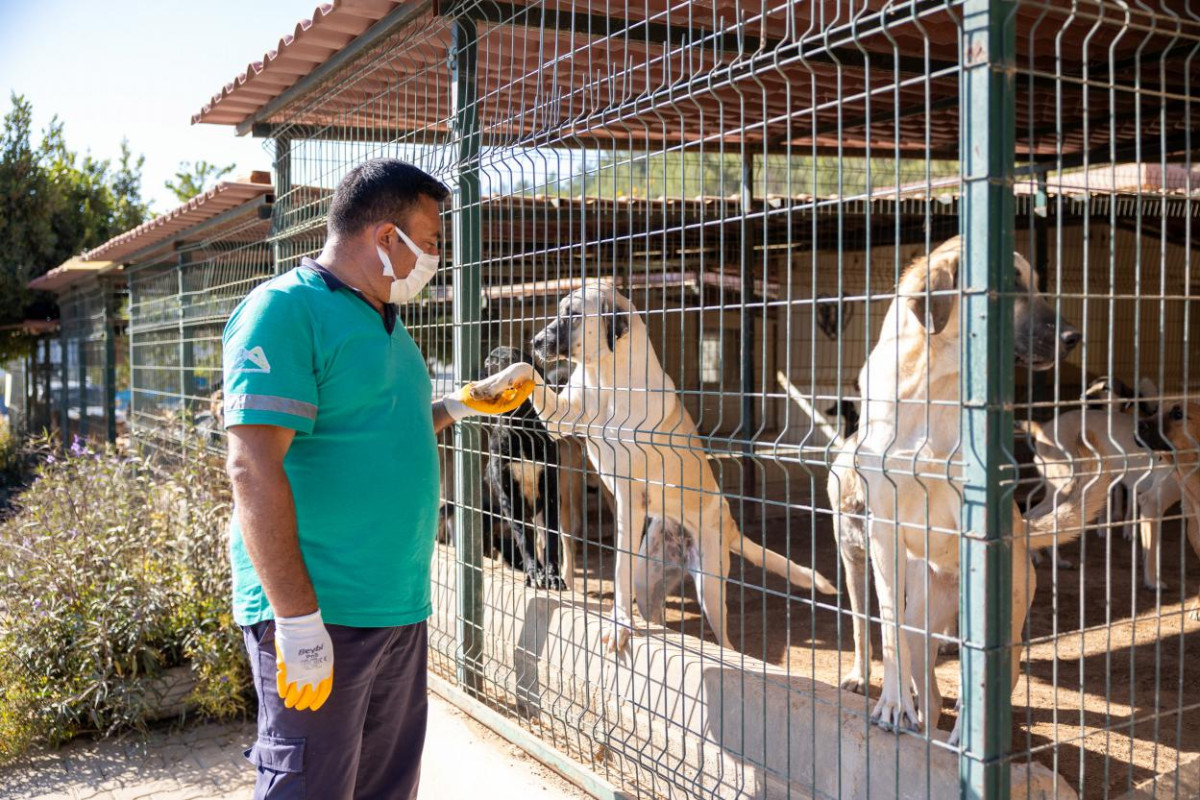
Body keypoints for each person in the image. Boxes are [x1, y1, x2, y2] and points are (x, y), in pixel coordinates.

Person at [221, 158, 532, 799]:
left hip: (396, 609)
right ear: (388, 238)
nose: (436, 256)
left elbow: (380, 426)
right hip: (322, 612)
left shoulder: (387, 323)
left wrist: (463, 404)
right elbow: (252, 466)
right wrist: (297, 620)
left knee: (386, 789)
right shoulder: (284, 311)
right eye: (433, 240)